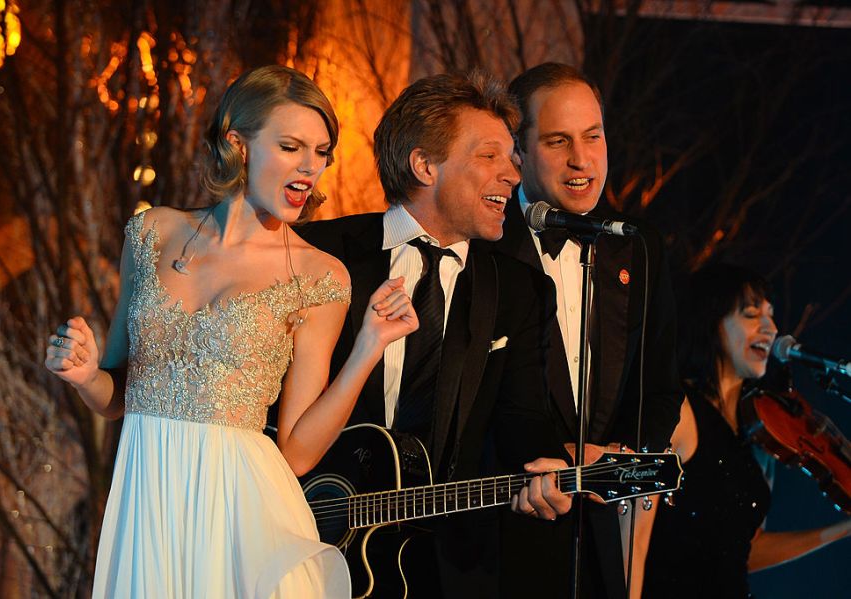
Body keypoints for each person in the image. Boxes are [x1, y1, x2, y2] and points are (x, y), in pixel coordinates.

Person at [43, 65, 419, 599]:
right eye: (290, 147)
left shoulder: (318, 276)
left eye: (321, 152)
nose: (310, 167)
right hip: (147, 503)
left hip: (240, 519)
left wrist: (368, 347)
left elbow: (297, 452)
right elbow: (119, 396)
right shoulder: (152, 232)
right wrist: (84, 375)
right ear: (238, 144)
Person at [298, 71, 572, 598]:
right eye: (489, 156)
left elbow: (523, 416)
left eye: (512, 157)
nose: (512, 174)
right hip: (308, 551)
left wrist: (548, 466)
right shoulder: (317, 253)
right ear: (424, 165)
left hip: (445, 569)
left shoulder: (519, 291)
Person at [490, 62, 684, 598]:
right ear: (518, 151)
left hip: (597, 541)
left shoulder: (638, 244)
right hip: (500, 534)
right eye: (558, 141)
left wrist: (621, 456)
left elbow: (661, 386)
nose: (582, 159)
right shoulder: (485, 245)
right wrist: (554, 458)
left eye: (592, 136)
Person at [631, 263, 851, 599]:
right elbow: (634, 539)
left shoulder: (758, 435)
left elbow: (745, 551)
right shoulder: (678, 411)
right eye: (751, 314)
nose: (771, 328)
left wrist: (844, 530)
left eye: (771, 316)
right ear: (711, 321)